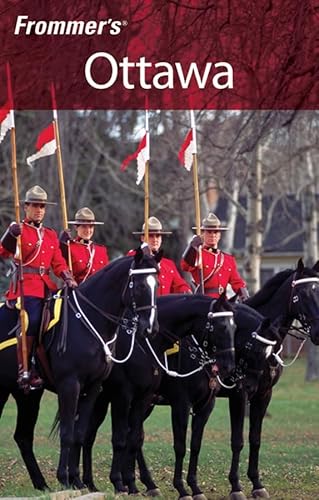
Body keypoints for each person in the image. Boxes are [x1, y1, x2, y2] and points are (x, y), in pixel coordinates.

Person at [0, 185, 77, 389]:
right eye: (35, 205)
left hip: (48, 288)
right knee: (32, 319)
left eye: (42, 206)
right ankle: (25, 368)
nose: (39, 210)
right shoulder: (19, 230)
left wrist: (68, 277)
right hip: (25, 288)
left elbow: (58, 263)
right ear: (26, 207)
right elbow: (4, 253)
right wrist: (9, 234)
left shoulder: (50, 234)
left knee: (65, 318)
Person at [181, 212, 249, 300]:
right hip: (202, 299)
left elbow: (237, 282)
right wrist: (192, 247)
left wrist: (244, 296)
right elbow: (185, 266)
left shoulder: (228, 259)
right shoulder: (197, 254)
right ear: (203, 234)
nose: (213, 235)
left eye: (216, 232)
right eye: (209, 232)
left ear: (219, 235)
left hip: (222, 301)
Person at [129, 216, 191, 295]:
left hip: (165, 306)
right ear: (142, 238)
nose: (155, 239)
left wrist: (187, 292)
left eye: (158, 236)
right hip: (144, 306)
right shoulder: (134, 257)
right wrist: (143, 253)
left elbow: (180, 285)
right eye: (151, 236)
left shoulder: (168, 264)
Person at [59, 207, 109, 284]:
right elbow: (59, 265)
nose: (88, 230)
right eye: (84, 226)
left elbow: (106, 275)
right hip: (77, 291)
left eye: (91, 227)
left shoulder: (101, 250)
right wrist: (61, 244)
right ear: (76, 227)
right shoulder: (69, 247)